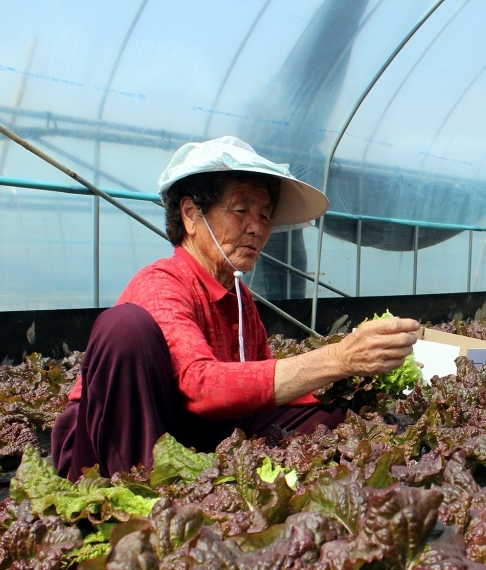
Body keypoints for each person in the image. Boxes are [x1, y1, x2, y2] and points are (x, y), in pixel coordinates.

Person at [51, 136, 419, 480]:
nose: (256, 228)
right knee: (125, 327)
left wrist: (348, 380)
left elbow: (257, 390)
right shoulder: (162, 283)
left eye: (264, 215)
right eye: (241, 209)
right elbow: (200, 386)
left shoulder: (239, 298)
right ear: (191, 215)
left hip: (190, 433)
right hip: (109, 449)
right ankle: (136, 492)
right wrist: (337, 359)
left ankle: (199, 480)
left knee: (330, 413)